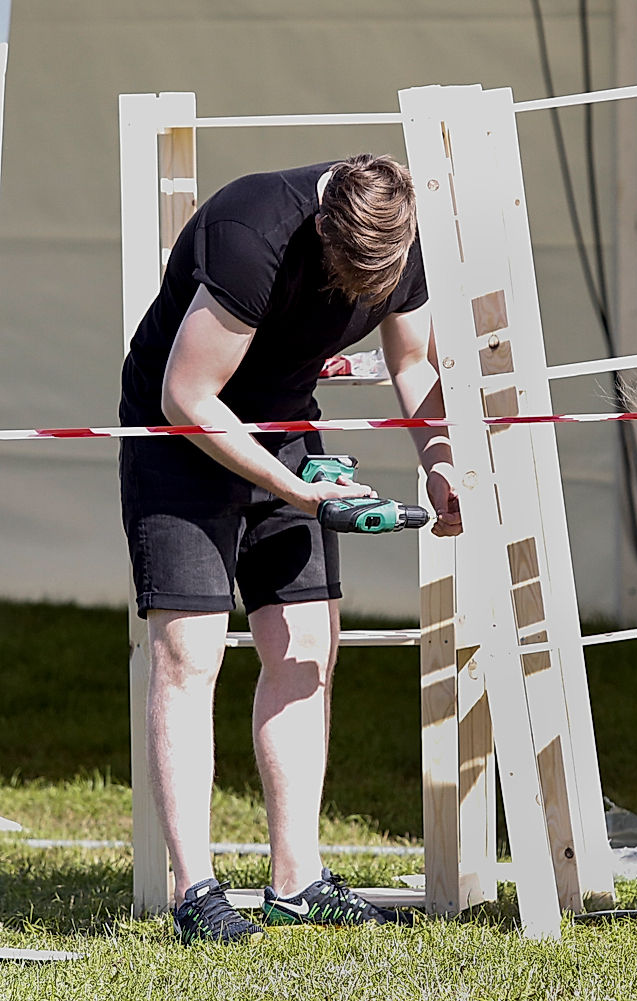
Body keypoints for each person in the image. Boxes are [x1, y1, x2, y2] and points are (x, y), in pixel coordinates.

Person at [119, 154, 462, 944]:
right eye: (349, 276)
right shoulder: (251, 233)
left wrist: (439, 465)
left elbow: (411, 363)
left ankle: (297, 880)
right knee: (189, 653)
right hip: (180, 436)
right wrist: (302, 490)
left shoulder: (401, 238)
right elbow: (186, 395)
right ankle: (195, 890)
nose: (359, 294)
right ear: (322, 230)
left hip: (285, 430)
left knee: (308, 641)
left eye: (378, 281)